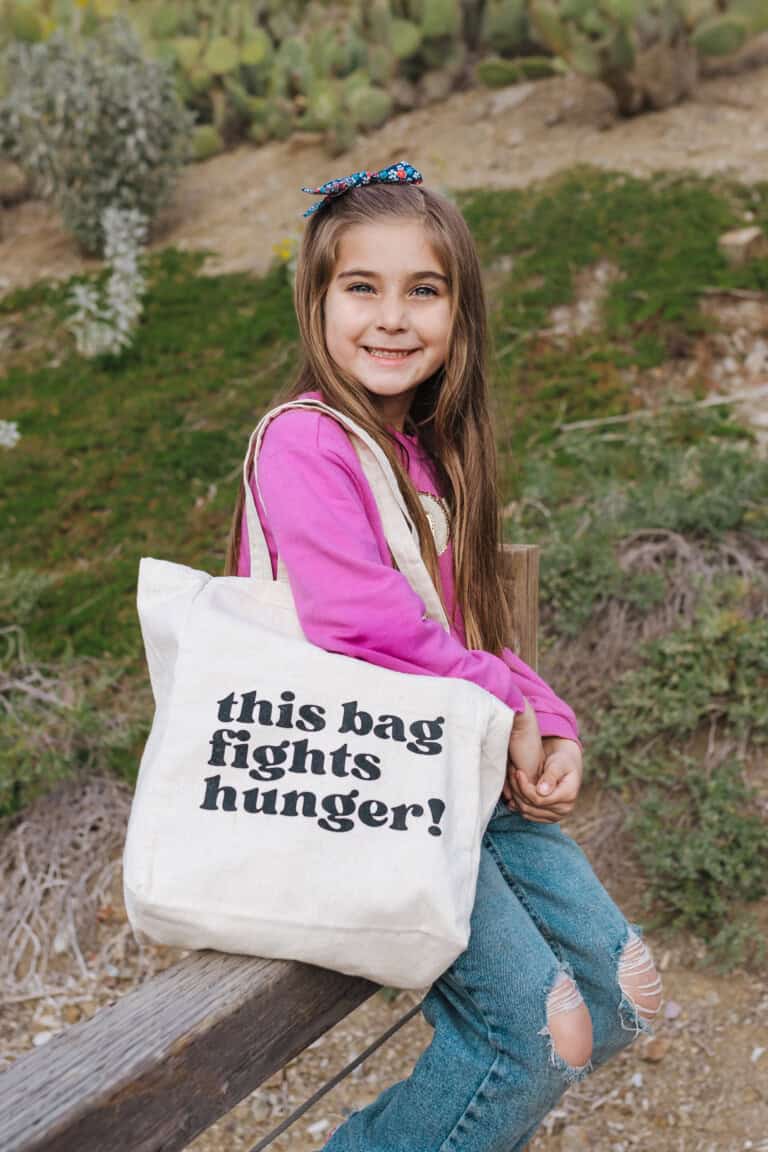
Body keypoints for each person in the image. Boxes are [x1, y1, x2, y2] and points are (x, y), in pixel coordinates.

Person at [224, 161, 663, 1151]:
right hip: (372, 780)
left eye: (424, 290)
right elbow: (357, 622)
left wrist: (548, 720)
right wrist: (500, 705)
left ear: (459, 314)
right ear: (316, 299)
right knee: (537, 1039)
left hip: (461, 775)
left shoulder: (427, 452)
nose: (392, 316)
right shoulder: (306, 442)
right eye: (361, 287)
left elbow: (469, 632)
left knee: (621, 993)